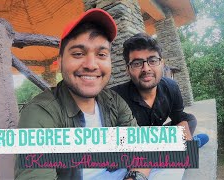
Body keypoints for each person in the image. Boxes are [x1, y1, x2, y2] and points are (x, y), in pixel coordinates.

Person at [14, 9, 150, 180]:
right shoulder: (40, 113)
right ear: (60, 62)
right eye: (78, 54)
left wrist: (135, 177)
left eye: (101, 54)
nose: (91, 65)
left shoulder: (113, 100)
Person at [112, 33, 208, 147]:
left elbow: (178, 117)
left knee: (189, 119)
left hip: (157, 135)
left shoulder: (171, 87)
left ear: (162, 64)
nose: (146, 69)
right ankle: (189, 145)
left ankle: (182, 144)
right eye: (137, 63)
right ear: (128, 69)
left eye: (152, 61)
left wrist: (182, 125)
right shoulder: (114, 97)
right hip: (135, 146)